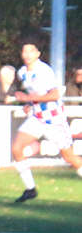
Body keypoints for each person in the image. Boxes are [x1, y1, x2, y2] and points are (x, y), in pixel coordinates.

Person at [11, 40, 82, 203]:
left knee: (70, 158)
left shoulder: (44, 71)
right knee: (16, 148)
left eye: (31, 51)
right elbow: (37, 95)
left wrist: (28, 98)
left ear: (37, 54)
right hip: (37, 118)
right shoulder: (22, 72)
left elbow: (55, 95)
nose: (27, 54)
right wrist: (30, 104)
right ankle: (30, 189)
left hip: (54, 120)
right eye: (24, 51)